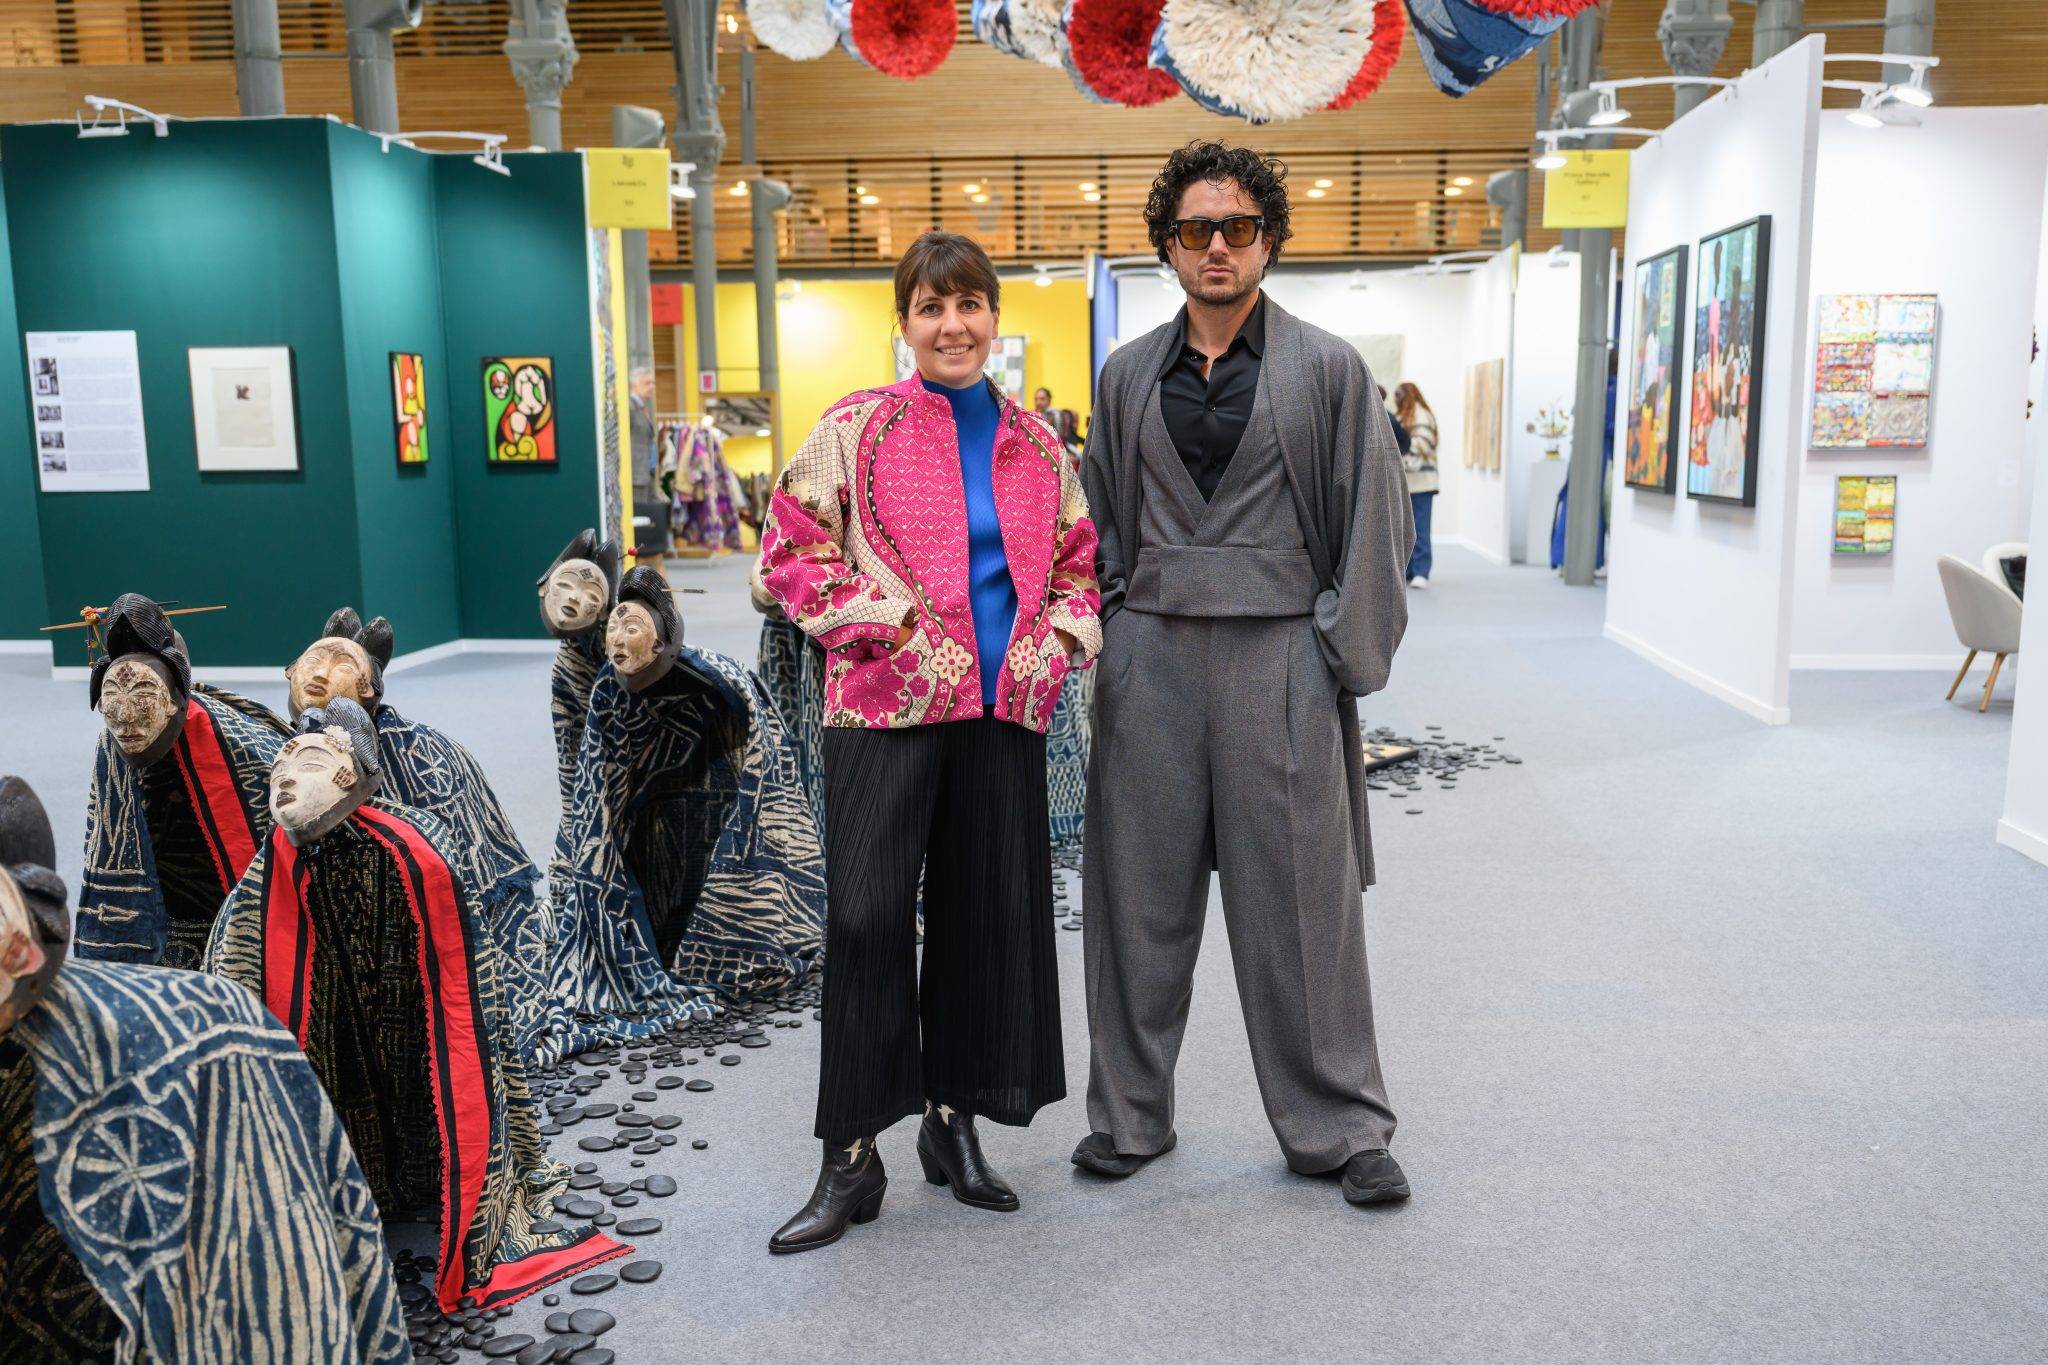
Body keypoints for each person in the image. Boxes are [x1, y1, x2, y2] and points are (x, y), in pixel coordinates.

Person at [1077, 141, 1414, 1206]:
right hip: (1152, 662)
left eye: (1236, 228)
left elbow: (1375, 527)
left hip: (1282, 658)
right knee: (1136, 898)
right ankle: (1128, 1116)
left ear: (1267, 241)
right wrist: (1118, 628)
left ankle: (1340, 1126)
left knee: (1303, 903)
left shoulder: (1328, 369)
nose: (1216, 246)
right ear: (1168, 246)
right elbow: (1099, 521)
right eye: (1195, 230)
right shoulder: (1126, 375)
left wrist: (1334, 654)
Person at [757, 229, 1101, 1253]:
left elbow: (1080, 569)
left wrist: (1052, 646)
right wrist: (891, 626)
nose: (952, 325)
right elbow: (789, 550)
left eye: (969, 304)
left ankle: (953, 1125)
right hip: (883, 710)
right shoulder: (854, 427)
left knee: (982, 919)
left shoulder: (1039, 445)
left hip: (1002, 717)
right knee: (865, 921)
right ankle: (850, 1155)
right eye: (930, 307)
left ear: (994, 316)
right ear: (903, 323)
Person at [1394, 382, 1440, 587]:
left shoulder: (1421, 415)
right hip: (1406, 482)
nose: (1397, 399)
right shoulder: (1403, 415)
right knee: (1405, 530)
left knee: (1420, 529)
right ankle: (1410, 569)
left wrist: (1401, 457)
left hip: (1421, 482)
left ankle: (1422, 571)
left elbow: (1422, 446)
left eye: (1399, 395)